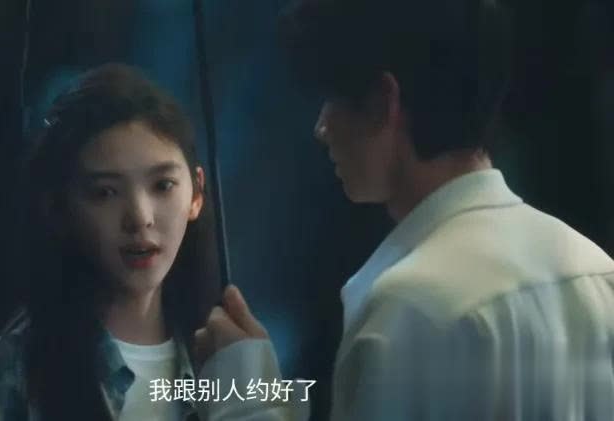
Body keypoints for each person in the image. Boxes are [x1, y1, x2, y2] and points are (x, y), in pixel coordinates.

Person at [194, 0, 614, 420]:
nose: (321, 127)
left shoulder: (408, 307)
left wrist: (245, 401)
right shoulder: (595, 271)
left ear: (383, 101)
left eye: (333, 98)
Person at [0, 63, 220, 421]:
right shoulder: (14, 372)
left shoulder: (224, 360)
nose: (140, 217)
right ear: (59, 208)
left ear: (196, 193)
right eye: (105, 192)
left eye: (162, 186)